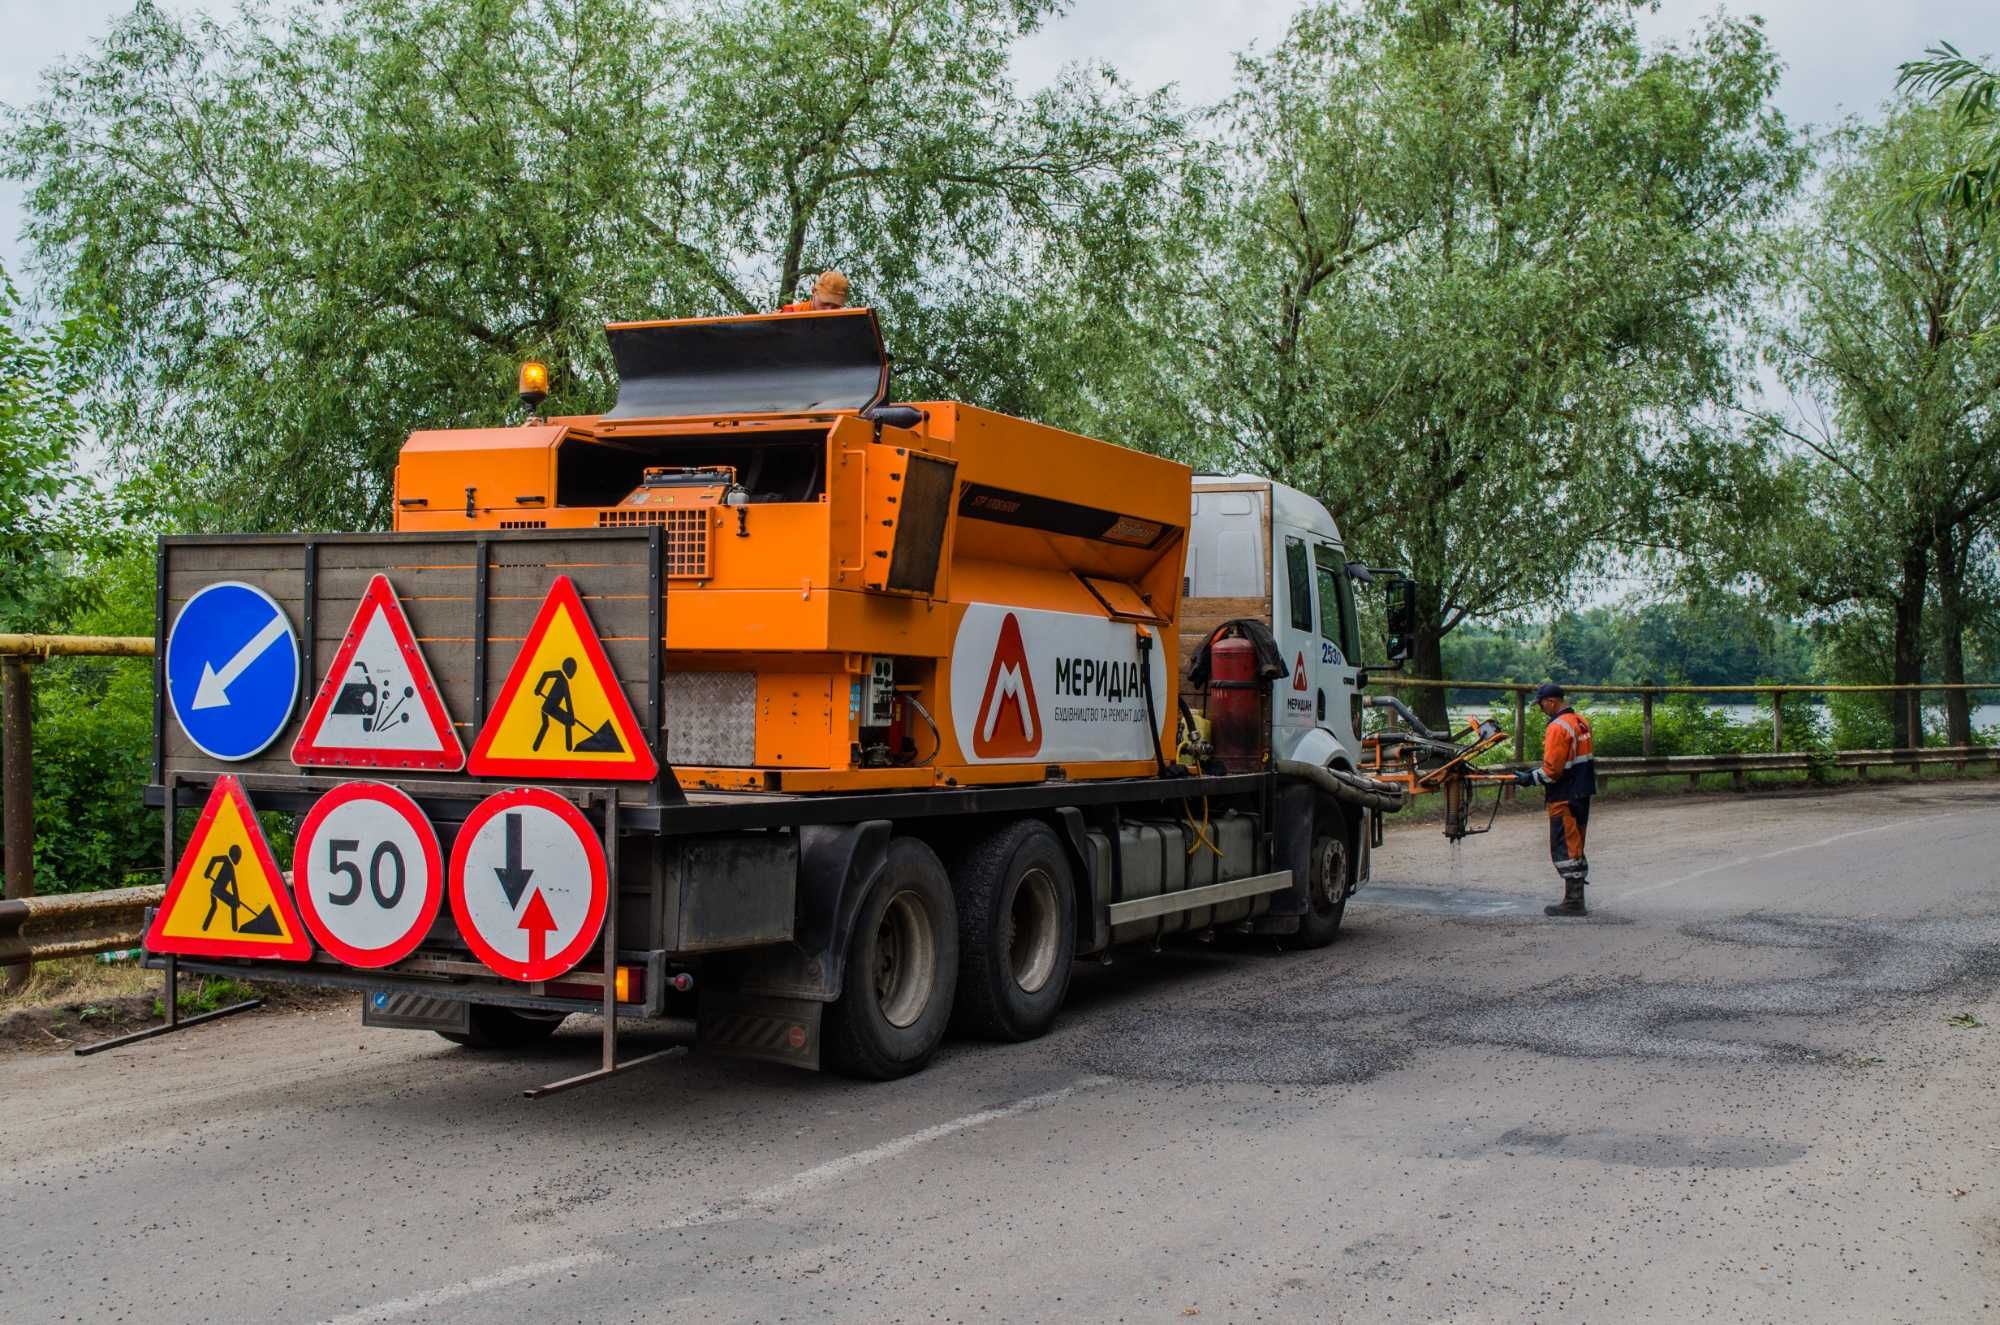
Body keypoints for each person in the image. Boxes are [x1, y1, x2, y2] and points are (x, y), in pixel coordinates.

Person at [1512, 682, 1595, 917]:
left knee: (1564, 846)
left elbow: (1552, 770)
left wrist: (1529, 779)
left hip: (1564, 794)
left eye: (1541, 705)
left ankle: (1574, 901)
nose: (1541, 709)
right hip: (1582, 789)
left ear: (1551, 701)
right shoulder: (1580, 721)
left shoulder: (1558, 727)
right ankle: (1575, 898)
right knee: (1576, 843)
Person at [778, 269, 850, 313]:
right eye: (826, 303)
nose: (829, 310)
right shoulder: (790, 315)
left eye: (836, 306)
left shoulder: (845, 322)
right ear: (814, 292)